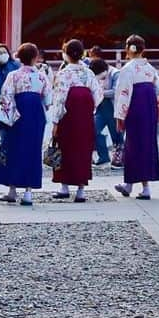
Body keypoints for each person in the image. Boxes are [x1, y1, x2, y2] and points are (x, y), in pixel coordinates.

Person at [0, 42, 51, 206]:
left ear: (19, 57)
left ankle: (12, 190)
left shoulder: (13, 75)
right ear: (35, 57)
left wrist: (10, 117)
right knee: (32, 150)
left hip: (18, 113)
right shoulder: (42, 76)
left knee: (13, 149)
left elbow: (6, 96)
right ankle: (28, 193)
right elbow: (48, 99)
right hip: (36, 113)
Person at [49, 38, 102, 202]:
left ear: (65, 54)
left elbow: (59, 98)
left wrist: (55, 121)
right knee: (83, 149)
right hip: (84, 115)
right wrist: (89, 109)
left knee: (64, 147)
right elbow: (98, 95)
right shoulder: (89, 72)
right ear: (83, 53)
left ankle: (64, 186)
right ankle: (80, 190)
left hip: (68, 115)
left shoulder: (64, 74)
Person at [113, 34, 159, 200]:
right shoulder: (150, 68)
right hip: (148, 109)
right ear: (143, 50)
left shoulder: (127, 69)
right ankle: (133, 184)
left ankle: (140, 186)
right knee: (146, 145)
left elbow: (123, 94)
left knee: (133, 145)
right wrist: (149, 102)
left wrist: (120, 116)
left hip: (134, 109)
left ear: (128, 50)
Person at [90, 58, 120, 165]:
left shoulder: (115, 74)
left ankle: (120, 158)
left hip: (113, 107)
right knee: (93, 129)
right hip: (101, 108)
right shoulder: (95, 75)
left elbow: (117, 91)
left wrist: (100, 92)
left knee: (117, 135)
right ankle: (103, 156)